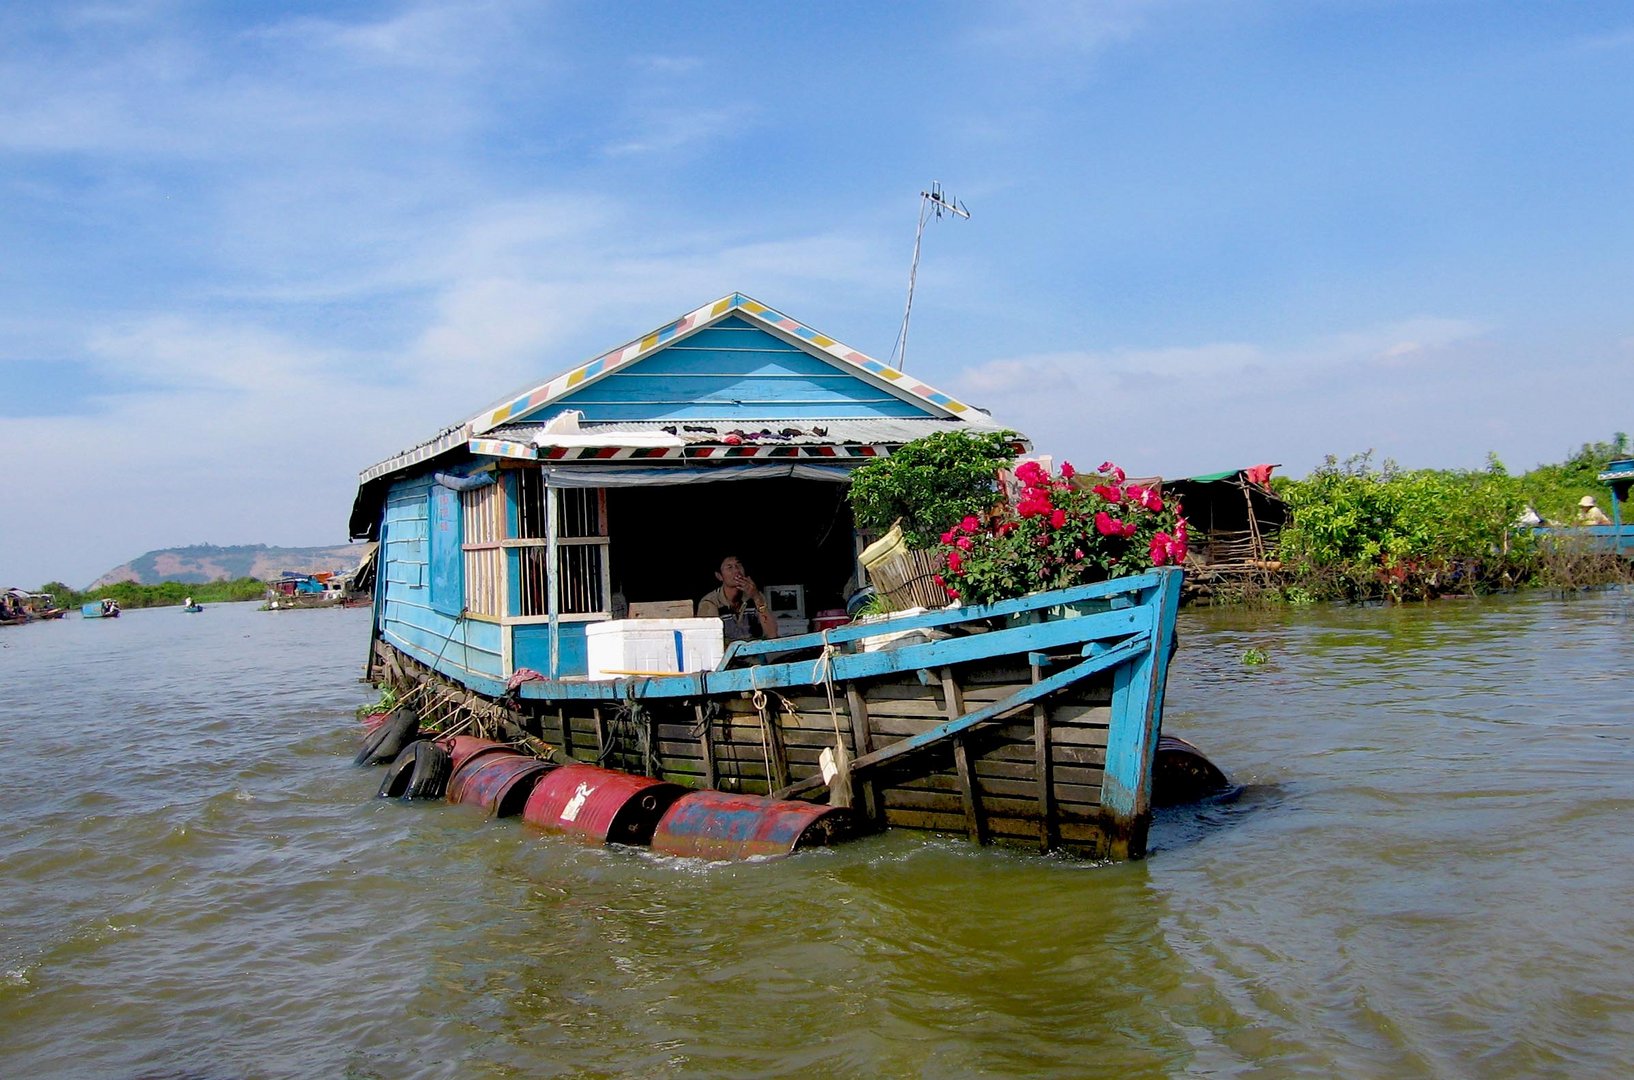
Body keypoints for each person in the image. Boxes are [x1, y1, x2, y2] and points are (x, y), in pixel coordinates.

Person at [697, 555, 776, 642]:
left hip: (754, 654)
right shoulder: (710, 603)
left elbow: (772, 634)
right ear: (719, 576)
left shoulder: (754, 595)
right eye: (729, 567)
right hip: (727, 655)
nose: (737, 571)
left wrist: (757, 598)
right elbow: (711, 643)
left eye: (738, 565)